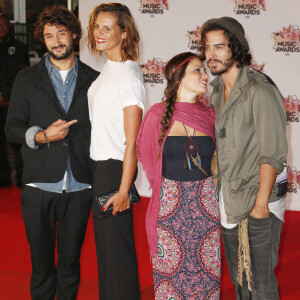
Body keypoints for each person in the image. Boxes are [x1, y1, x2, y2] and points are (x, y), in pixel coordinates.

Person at [5, 6, 98, 300]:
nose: (56, 41)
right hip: (38, 186)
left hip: (80, 186)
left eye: (61, 34)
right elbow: (12, 128)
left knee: (70, 265)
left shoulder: (95, 79)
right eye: (48, 36)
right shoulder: (27, 78)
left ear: (73, 34)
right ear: (42, 40)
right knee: (42, 267)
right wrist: (43, 135)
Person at [200, 17, 287, 299]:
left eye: (219, 47)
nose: (211, 54)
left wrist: (261, 205)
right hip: (228, 202)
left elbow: (272, 153)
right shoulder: (213, 93)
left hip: (257, 202)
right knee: (241, 283)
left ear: (235, 49)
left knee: (260, 286)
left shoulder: (259, 90)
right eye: (207, 48)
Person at [136, 52, 220, 299]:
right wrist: (167, 195)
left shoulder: (211, 115)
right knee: (171, 281)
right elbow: (149, 161)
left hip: (206, 208)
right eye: (197, 70)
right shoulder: (156, 115)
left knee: (207, 278)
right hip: (169, 211)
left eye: (205, 70)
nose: (205, 75)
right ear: (179, 77)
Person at [87, 3, 145, 300]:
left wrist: (124, 190)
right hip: (101, 169)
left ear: (124, 34)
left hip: (115, 171)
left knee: (117, 252)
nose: (99, 32)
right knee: (107, 254)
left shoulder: (129, 77)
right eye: (98, 25)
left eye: (108, 27)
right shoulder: (110, 69)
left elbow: (132, 142)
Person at [0, 13, 29, 188]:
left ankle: (21, 177)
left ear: (9, 26)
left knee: (17, 142)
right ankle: (2, 178)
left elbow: (21, 75)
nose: (0, 27)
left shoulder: (20, 48)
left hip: (12, 102)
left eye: (3, 24)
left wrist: (5, 95)